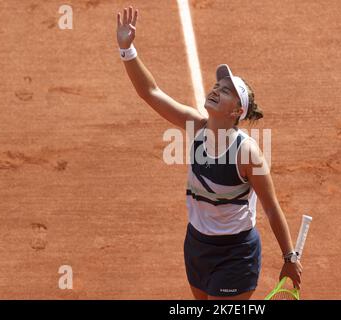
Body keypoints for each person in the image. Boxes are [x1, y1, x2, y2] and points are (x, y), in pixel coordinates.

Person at [116, 6, 302, 300]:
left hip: (236, 255)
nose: (216, 89)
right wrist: (127, 49)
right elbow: (150, 92)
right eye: (217, 84)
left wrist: (289, 257)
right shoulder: (195, 126)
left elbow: (271, 207)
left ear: (236, 111)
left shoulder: (247, 153)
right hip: (196, 246)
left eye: (226, 90)